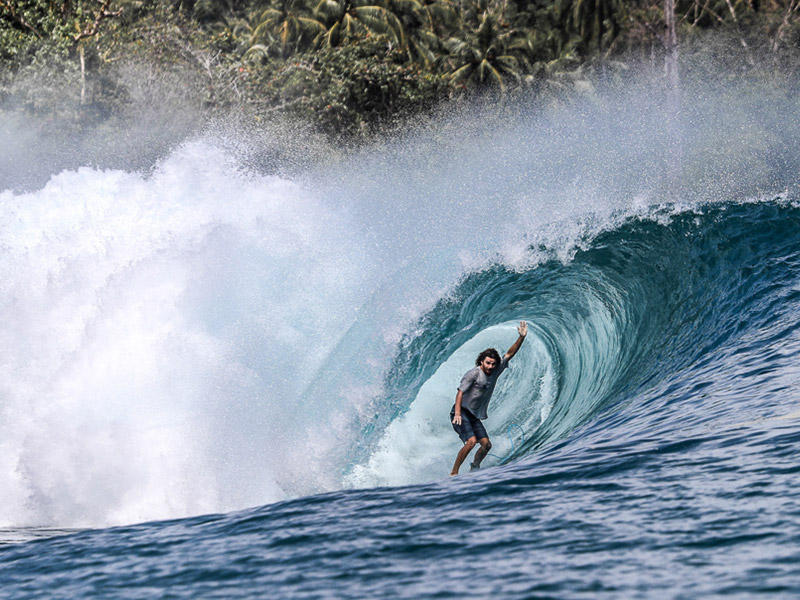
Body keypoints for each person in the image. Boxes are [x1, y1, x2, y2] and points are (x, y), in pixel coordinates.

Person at [450, 321, 528, 476]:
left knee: (486, 445)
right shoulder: (474, 373)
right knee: (471, 442)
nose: (491, 366)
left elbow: (509, 354)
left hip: (473, 415)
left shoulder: (496, 369)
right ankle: (454, 473)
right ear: (481, 361)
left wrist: (521, 338)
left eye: (493, 364)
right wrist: (457, 413)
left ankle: (475, 467)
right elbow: (460, 393)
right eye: (488, 363)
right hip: (461, 412)